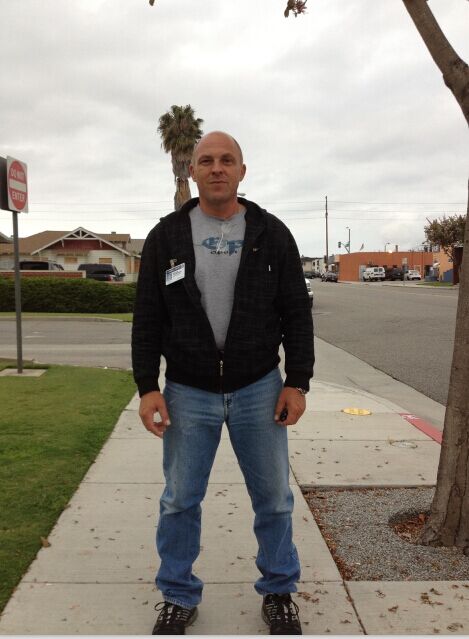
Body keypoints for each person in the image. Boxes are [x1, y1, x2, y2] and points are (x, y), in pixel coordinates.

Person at [131, 131, 314, 635]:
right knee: (179, 500)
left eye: (227, 160)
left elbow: (296, 312)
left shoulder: (271, 233)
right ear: (192, 172)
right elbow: (147, 317)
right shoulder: (167, 236)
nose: (217, 168)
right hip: (187, 392)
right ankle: (177, 594)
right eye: (207, 160)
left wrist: (297, 380)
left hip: (259, 387)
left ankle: (279, 591)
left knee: (273, 498)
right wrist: (147, 386)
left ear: (241, 171)